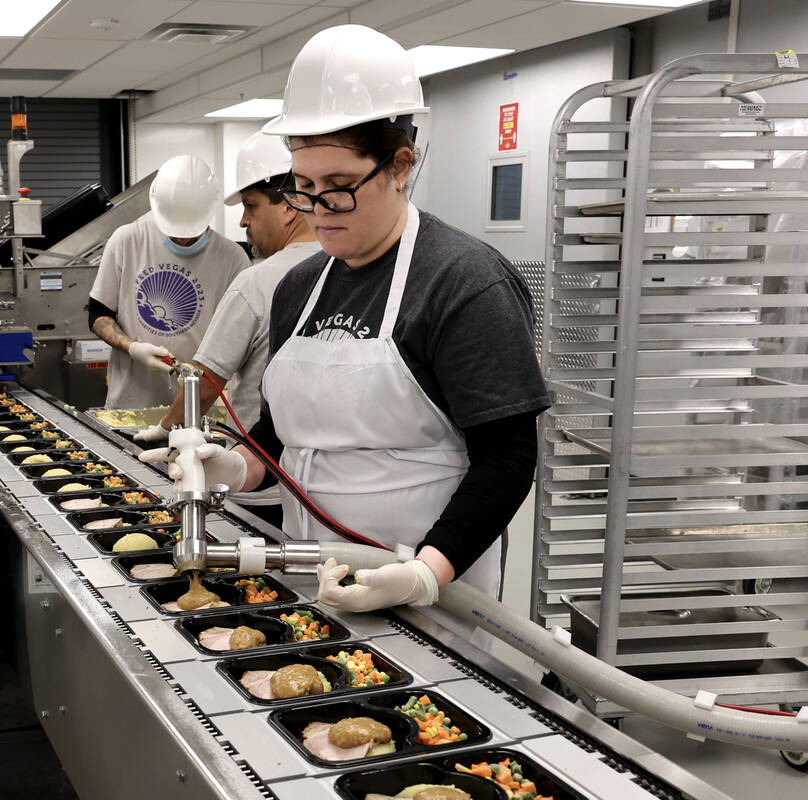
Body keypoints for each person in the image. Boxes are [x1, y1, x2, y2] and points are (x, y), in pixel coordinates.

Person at [142, 25, 549, 629]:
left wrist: (424, 574)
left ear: (400, 167)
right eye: (303, 190)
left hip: (432, 588)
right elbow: (283, 434)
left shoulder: (463, 283)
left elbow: (508, 458)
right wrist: (237, 465)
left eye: (338, 189)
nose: (318, 212)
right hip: (312, 575)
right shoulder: (300, 288)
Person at [134, 132, 322, 527]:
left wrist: (164, 430)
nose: (243, 221)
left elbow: (205, 384)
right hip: (324, 491)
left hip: (260, 481)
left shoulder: (257, 280)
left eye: (251, 206)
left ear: (289, 207)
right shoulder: (344, 269)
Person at [89, 154, 250, 409]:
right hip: (132, 405)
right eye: (173, 231)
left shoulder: (232, 259)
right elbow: (98, 314)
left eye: (190, 232)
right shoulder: (127, 241)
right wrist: (132, 348)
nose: (183, 240)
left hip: (202, 410)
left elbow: (239, 339)